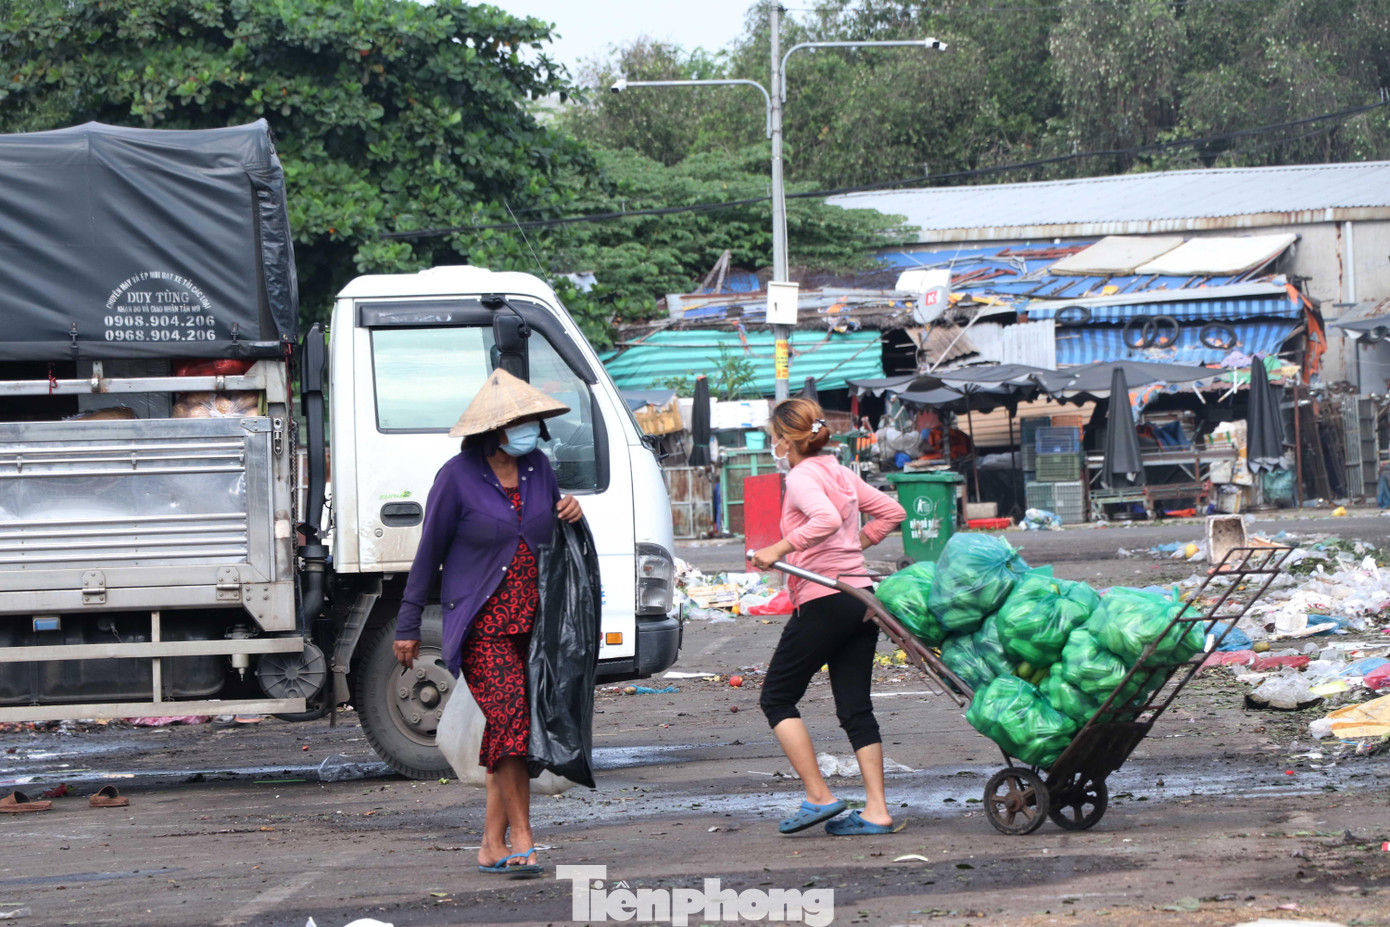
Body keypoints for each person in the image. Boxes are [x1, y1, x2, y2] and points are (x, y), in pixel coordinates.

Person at [394, 368, 583, 876]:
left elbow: (551, 523)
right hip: (483, 627)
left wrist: (571, 509)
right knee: (511, 726)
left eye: (534, 422)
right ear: (496, 428)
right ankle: (522, 835)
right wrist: (407, 624)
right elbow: (427, 553)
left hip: (535, 625)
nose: (533, 431)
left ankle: (489, 846)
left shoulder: (538, 468)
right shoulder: (456, 478)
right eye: (523, 422)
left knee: (507, 733)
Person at [750, 398, 908, 836]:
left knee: (777, 697)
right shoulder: (840, 471)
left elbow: (823, 518)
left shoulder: (801, 477)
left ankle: (819, 795)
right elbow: (893, 512)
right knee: (855, 706)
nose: (773, 445)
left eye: (773, 438)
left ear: (787, 440)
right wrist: (856, 543)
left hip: (824, 598)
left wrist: (778, 549)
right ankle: (877, 810)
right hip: (860, 598)